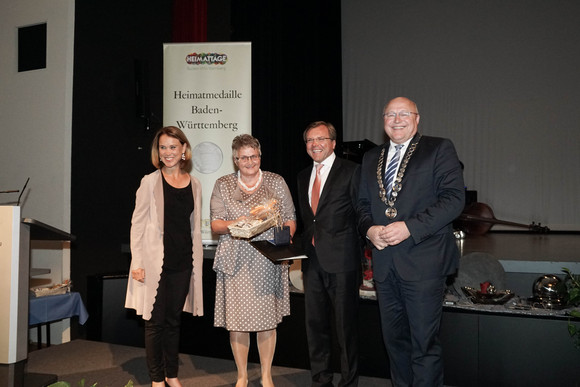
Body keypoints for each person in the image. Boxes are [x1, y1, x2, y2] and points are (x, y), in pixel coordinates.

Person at [357, 97, 465, 387]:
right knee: (395, 345)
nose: (397, 119)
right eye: (390, 114)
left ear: (417, 119)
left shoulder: (438, 148)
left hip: (424, 262)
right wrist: (370, 231)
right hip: (384, 265)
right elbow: (362, 206)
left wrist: (409, 228)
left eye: (404, 113)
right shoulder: (370, 158)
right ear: (383, 121)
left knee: (424, 345)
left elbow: (454, 200)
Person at [210, 134, 297, 387]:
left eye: (254, 156)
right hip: (235, 259)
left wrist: (284, 237)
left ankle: (267, 374)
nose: (250, 161)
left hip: (267, 258)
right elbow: (216, 224)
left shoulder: (276, 182)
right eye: (244, 157)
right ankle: (242, 375)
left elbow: (290, 218)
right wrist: (241, 224)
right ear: (236, 160)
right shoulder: (223, 184)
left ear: (260, 156)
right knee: (237, 322)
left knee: (267, 321)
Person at [125, 126, 203, 387]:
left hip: (182, 263)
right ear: (157, 152)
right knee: (154, 323)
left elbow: (194, 227)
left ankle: (172, 375)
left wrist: (195, 264)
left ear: (183, 150)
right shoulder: (149, 182)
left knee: (173, 321)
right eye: (163, 147)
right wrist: (136, 262)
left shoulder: (195, 184)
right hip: (153, 263)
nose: (167, 152)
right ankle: (157, 378)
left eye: (172, 147)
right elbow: (137, 224)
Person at [296, 121, 362, 387]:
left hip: (343, 261)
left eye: (320, 139)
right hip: (311, 261)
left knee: (345, 328)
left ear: (333, 143)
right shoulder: (302, 176)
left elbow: (361, 214)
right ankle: (321, 379)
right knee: (315, 326)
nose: (315, 145)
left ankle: (349, 381)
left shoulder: (352, 171)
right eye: (310, 141)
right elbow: (309, 220)